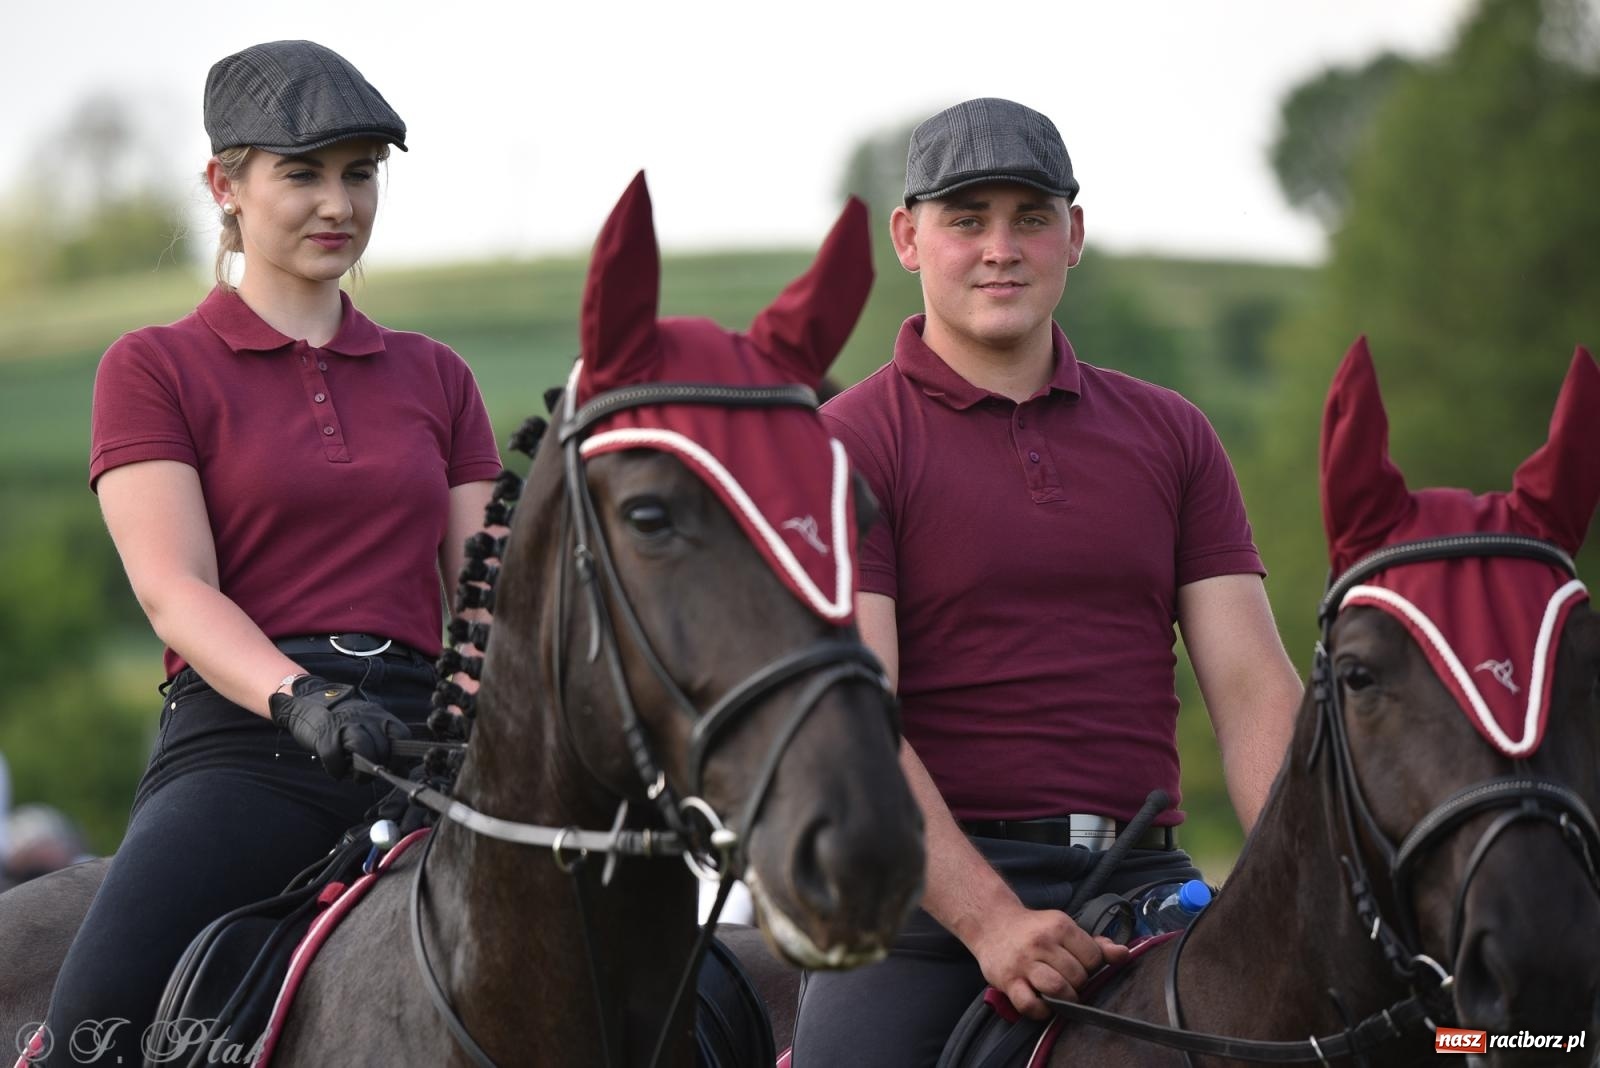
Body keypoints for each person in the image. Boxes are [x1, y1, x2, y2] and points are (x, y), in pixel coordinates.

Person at [792, 98, 1304, 1066]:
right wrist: (989, 920)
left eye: (1030, 217)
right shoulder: (844, 445)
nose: (1001, 248)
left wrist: (1317, 889)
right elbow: (853, 721)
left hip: (1146, 874)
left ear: (1072, 234)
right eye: (965, 218)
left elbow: (1251, 691)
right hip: (923, 903)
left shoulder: (1172, 433)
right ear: (908, 236)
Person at [37, 40, 502, 1064]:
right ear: (224, 184)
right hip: (250, 748)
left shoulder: (438, 374)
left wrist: (471, 720)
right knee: (89, 1029)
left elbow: (484, 600)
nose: (338, 202)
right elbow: (172, 592)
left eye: (360, 173)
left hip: (426, 746)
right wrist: (303, 700)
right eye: (303, 173)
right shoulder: (154, 367)